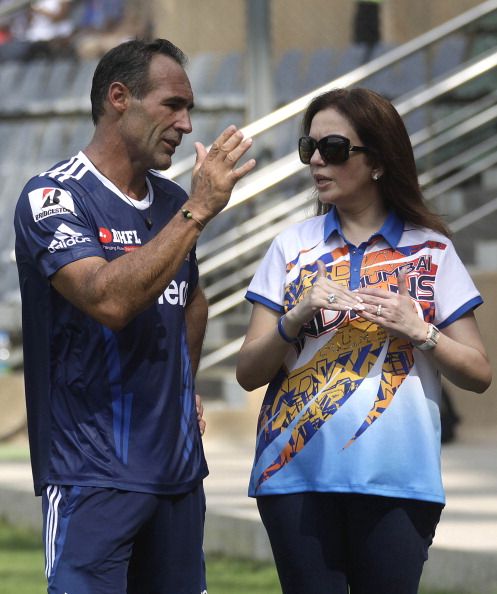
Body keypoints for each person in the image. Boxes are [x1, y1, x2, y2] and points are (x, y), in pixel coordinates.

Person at [14, 38, 255, 594]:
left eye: (189, 109)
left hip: (177, 476)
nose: (186, 125)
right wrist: (198, 211)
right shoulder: (54, 197)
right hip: (90, 475)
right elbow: (109, 300)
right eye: (173, 105)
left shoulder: (170, 204)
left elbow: (192, 300)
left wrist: (185, 384)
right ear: (119, 98)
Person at [236, 87, 491, 594]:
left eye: (333, 149)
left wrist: (422, 332)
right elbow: (248, 373)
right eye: (308, 147)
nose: (316, 161)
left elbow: (479, 373)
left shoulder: (433, 251)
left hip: (399, 479)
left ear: (377, 161)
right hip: (295, 478)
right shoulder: (290, 247)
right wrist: (297, 314)